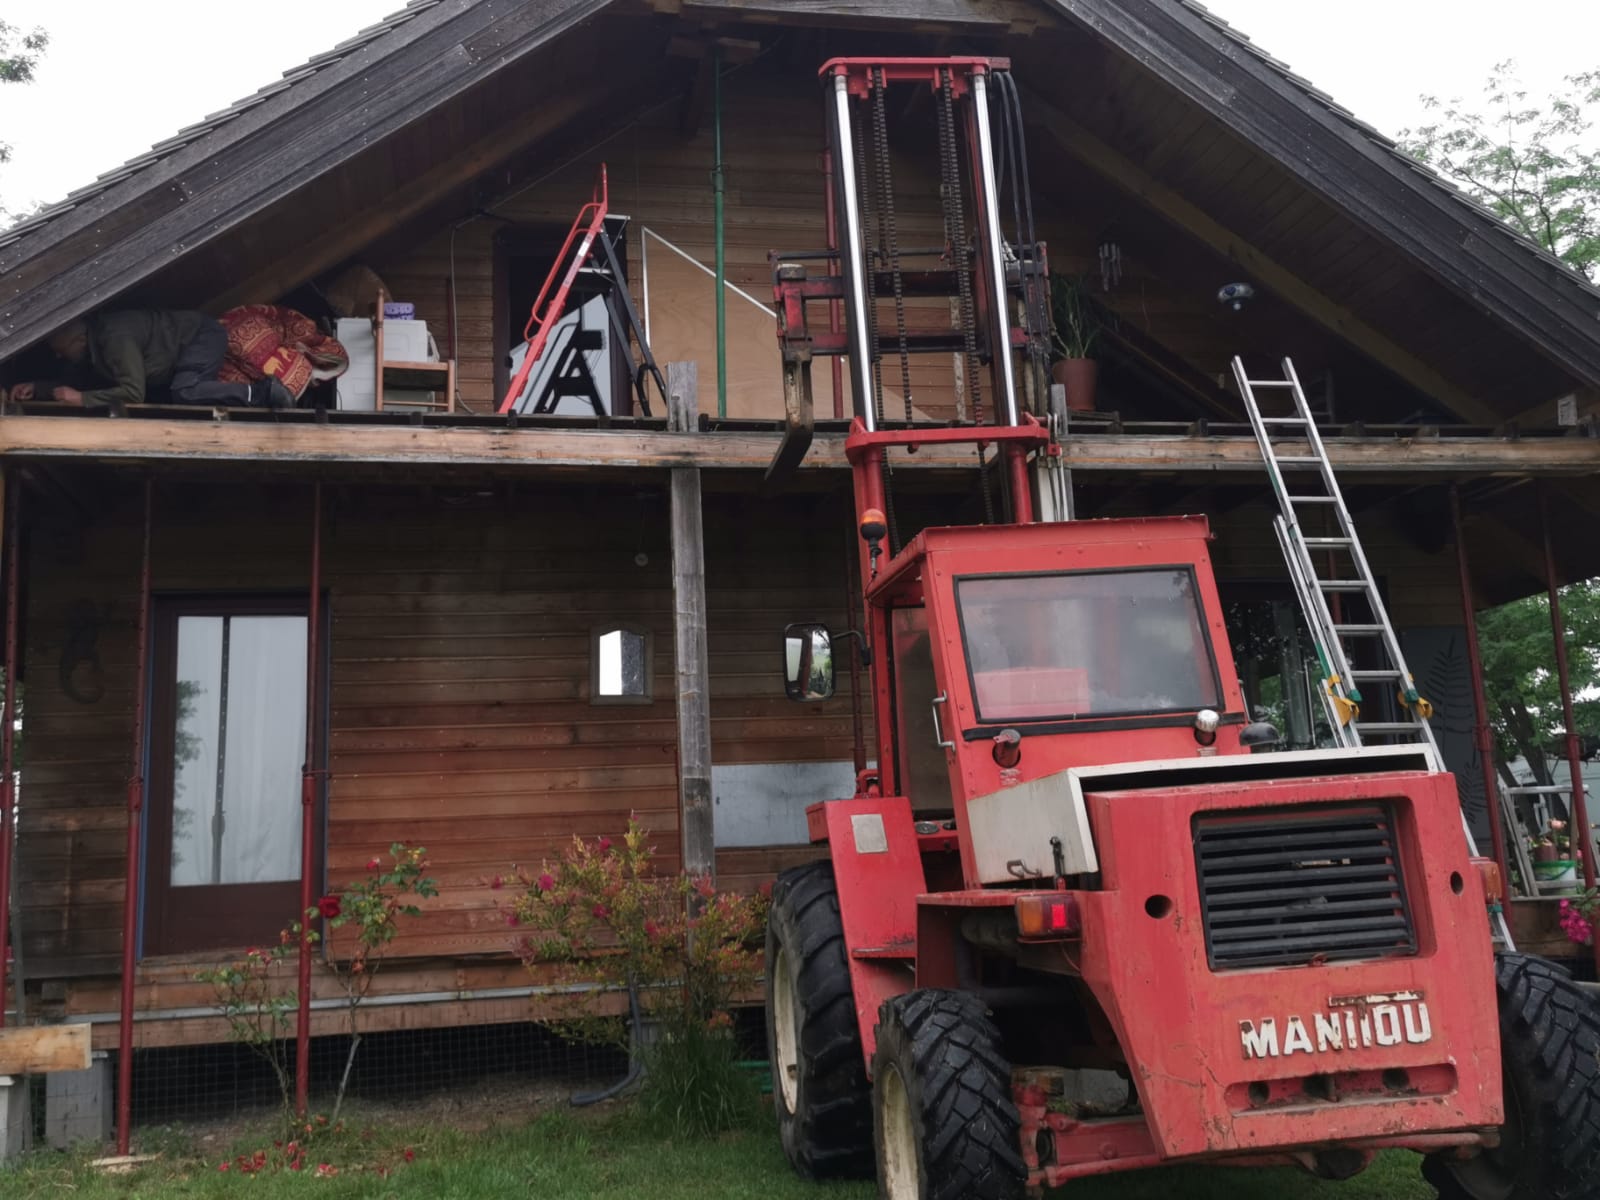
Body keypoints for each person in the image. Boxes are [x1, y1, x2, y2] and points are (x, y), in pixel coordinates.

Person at [12, 310, 291, 410]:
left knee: (185, 392)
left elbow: (133, 393)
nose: (60, 357)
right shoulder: (92, 352)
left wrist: (82, 400)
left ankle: (265, 392)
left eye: (62, 350)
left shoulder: (114, 338)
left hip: (199, 337)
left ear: (80, 340)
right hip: (173, 363)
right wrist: (39, 388)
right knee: (176, 395)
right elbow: (78, 383)